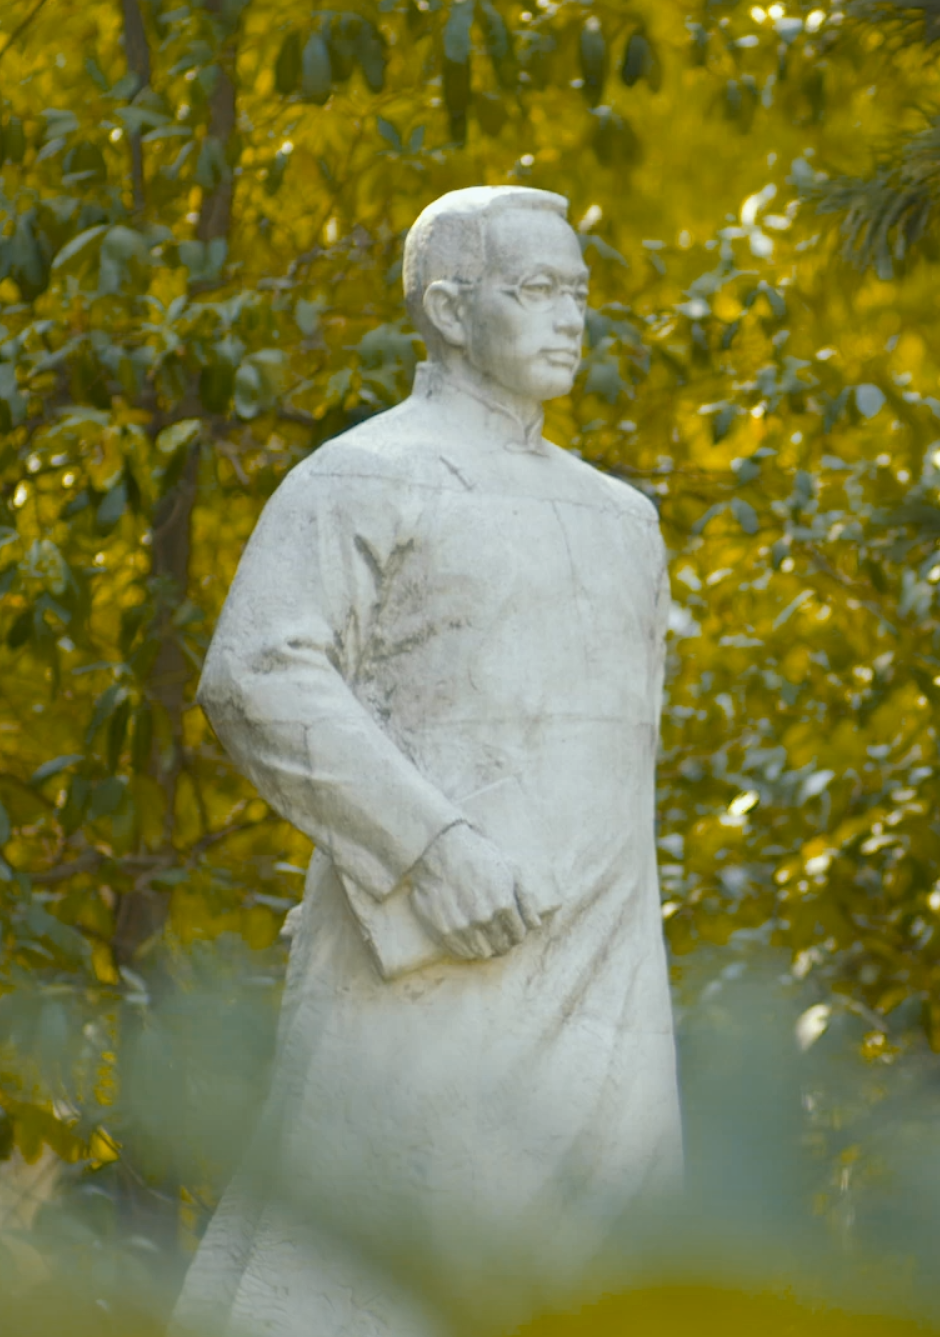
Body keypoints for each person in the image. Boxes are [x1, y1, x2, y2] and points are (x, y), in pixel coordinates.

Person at [171, 186, 681, 1337]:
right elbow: (256, 672)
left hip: (609, 984)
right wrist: (431, 846)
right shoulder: (361, 476)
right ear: (449, 309)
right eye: (535, 290)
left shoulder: (624, 518)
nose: (569, 318)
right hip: (429, 960)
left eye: (577, 293)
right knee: (373, 1277)